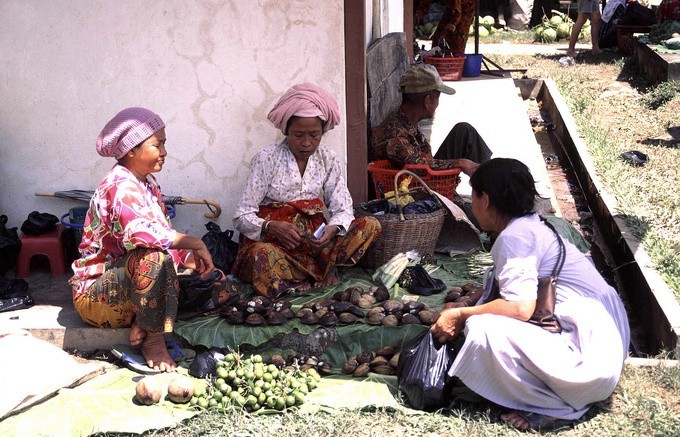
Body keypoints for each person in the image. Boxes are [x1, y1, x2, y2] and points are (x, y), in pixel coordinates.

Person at [431, 158, 630, 431]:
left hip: (589, 363)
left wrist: (462, 314)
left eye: (473, 195)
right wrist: (473, 299)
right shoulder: (531, 224)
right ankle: (560, 393)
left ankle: (551, 406)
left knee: (481, 328)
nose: (472, 205)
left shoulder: (514, 238)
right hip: (607, 346)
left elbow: (521, 307)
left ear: (485, 199)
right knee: (483, 318)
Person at [70, 107, 234, 373]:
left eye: (164, 144)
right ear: (131, 151)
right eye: (157, 145)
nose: (165, 152)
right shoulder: (118, 185)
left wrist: (191, 262)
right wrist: (194, 243)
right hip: (97, 296)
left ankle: (144, 320)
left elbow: (163, 233)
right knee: (153, 259)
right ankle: (154, 339)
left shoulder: (149, 184)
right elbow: (141, 233)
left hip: (133, 285)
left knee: (220, 290)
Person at [232, 83, 381, 298]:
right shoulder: (267, 159)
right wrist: (272, 226)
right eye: (298, 135)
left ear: (323, 132)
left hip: (315, 245)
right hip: (278, 246)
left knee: (370, 225)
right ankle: (313, 274)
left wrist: (333, 229)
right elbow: (241, 217)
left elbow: (343, 208)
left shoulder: (327, 158)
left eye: (314, 135)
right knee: (262, 255)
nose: (306, 143)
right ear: (286, 131)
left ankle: (319, 270)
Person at [370, 64, 492, 179]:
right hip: (415, 187)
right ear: (427, 101)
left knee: (464, 131)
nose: (438, 104)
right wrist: (459, 162)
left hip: (423, 174)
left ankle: (489, 183)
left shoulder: (406, 120)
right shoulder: (395, 136)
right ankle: (488, 190)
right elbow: (421, 169)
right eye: (437, 99)